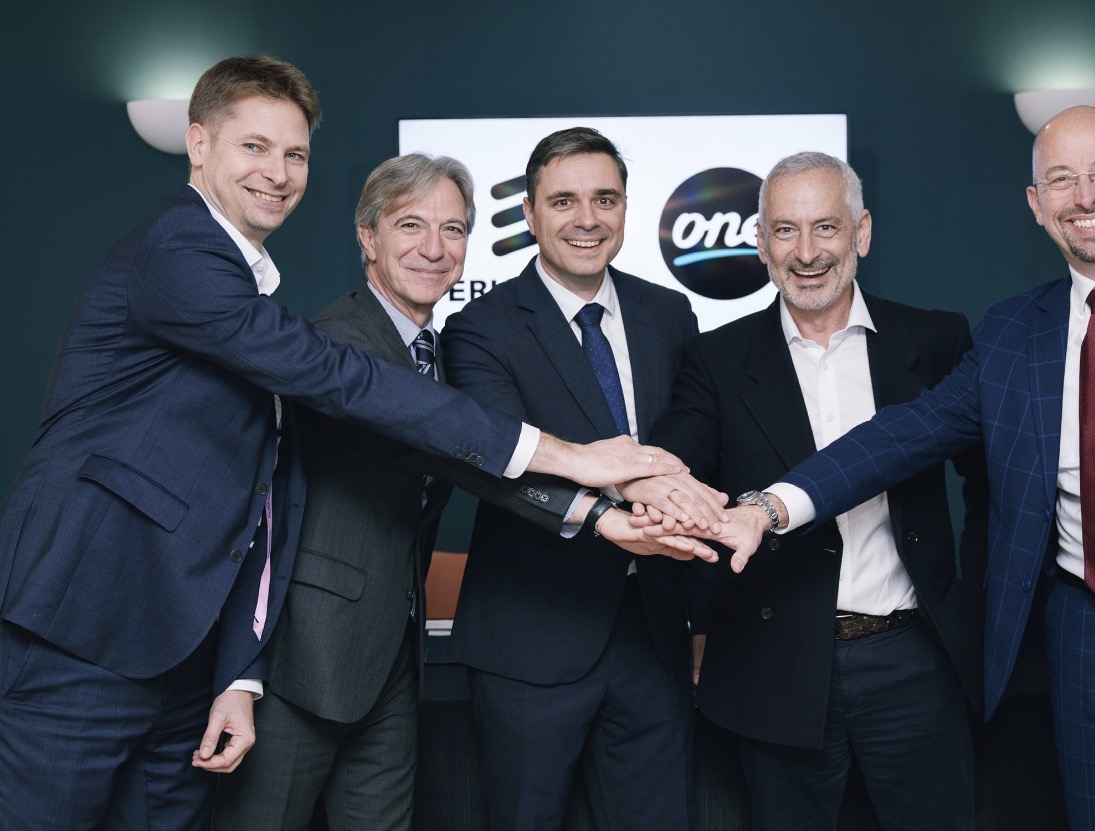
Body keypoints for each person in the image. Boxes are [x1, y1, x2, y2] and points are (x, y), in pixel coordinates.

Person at [0, 58, 702, 830]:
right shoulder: (181, 250)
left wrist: (231, 670)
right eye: (254, 147)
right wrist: (574, 461)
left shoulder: (260, 285)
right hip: (89, 620)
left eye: (295, 154)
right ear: (197, 144)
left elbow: (261, 500)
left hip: (195, 644)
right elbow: (351, 386)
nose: (277, 172)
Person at [711, 106, 1095, 829]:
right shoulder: (1012, 332)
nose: (1085, 197)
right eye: (1061, 180)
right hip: (1091, 646)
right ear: (1036, 203)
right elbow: (904, 433)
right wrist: (770, 507)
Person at [210, 154, 697, 829]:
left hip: (390, 656)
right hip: (305, 659)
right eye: (411, 225)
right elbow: (440, 447)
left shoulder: (431, 349)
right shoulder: (341, 343)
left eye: (454, 229)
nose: (434, 249)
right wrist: (597, 507)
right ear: (367, 237)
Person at [648, 151, 988, 831]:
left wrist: (971, 611)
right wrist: (700, 615)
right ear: (760, 242)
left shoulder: (936, 338)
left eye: (826, 227)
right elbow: (680, 475)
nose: (806, 253)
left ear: (862, 232)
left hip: (914, 659)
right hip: (774, 663)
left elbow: (993, 489)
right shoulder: (716, 359)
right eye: (785, 230)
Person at [440, 127, 703, 830]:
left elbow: (691, 438)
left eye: (604, 199)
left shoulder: (669, 314)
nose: (587, 219)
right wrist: (611, 512)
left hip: (653, 635)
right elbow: (494, 463)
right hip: (531, 637)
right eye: (563, 201)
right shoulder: (480, 328)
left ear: (625, 208)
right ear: (529, 213)